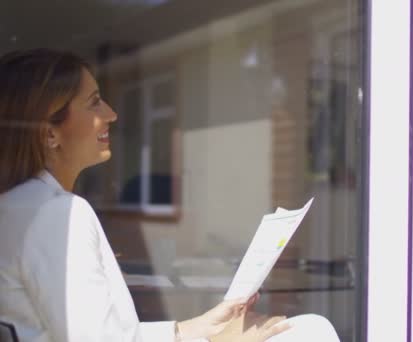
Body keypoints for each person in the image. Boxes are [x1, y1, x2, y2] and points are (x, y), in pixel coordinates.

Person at [0, 49, 340, 342]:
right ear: (50, 135)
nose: (111, 114)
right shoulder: (59, 215)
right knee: (309, 329)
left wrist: (194, 327)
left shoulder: (15, 208)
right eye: (94, 103)